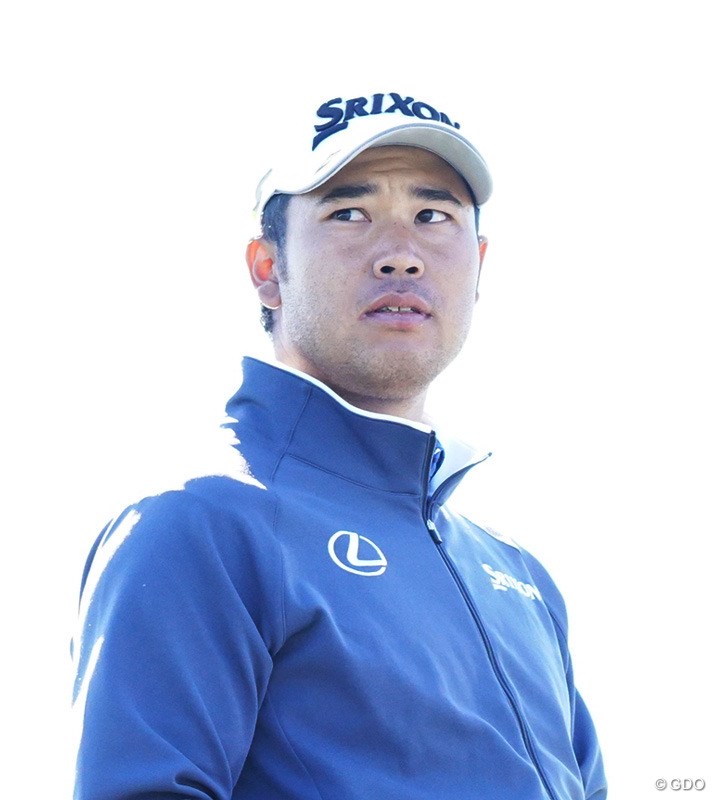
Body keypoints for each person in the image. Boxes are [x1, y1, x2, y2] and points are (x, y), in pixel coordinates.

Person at [70, 90, 607, 800]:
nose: (401, 256)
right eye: (349, 213)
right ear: (268, 270)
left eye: (433, 216)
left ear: (479, 265)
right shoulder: (202, 524)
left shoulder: (520, 580)